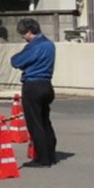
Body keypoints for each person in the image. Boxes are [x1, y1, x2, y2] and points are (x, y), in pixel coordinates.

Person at [10, 17, 57, 166]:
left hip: (33, 85)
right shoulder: (49, 44)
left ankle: (42, 159)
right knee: (45, 121)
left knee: (34, 124)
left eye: (23, 34)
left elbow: (16, 61)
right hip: (47, 84)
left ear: (30, 32)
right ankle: (50, 155)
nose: (23, 38)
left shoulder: (34, 46)